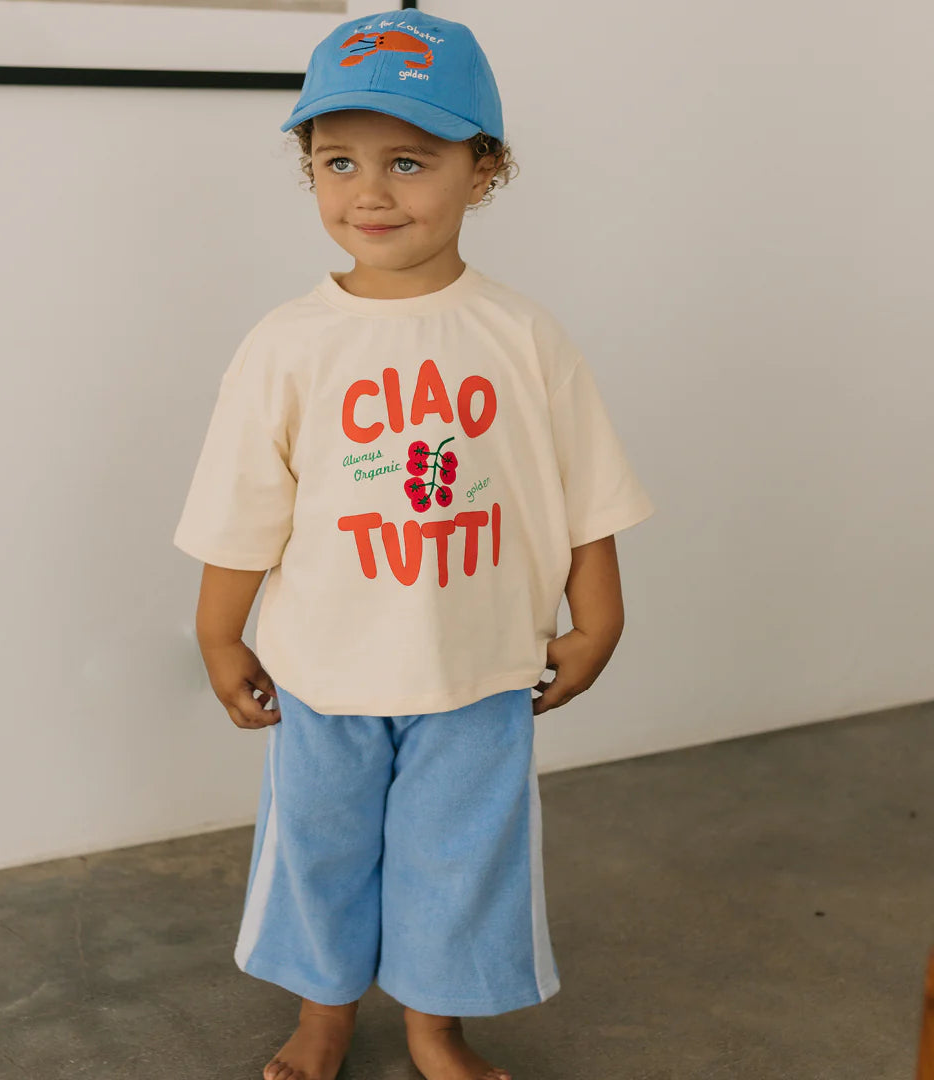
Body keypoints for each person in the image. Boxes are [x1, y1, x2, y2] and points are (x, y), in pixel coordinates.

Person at [172, 10, 656, 1080]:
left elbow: (583, 492)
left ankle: (439, 1028)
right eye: (337, 161)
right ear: (308, 168)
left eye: (410, 160)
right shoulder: (289, 344)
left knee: (462, 860)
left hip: (477, 668)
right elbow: (243, 506)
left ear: (485, 169)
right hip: (324, 671)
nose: (371, 192)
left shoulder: (523, 336)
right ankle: (324, 1017)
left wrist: (600, 620)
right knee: (320, 850)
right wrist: (219, 636)